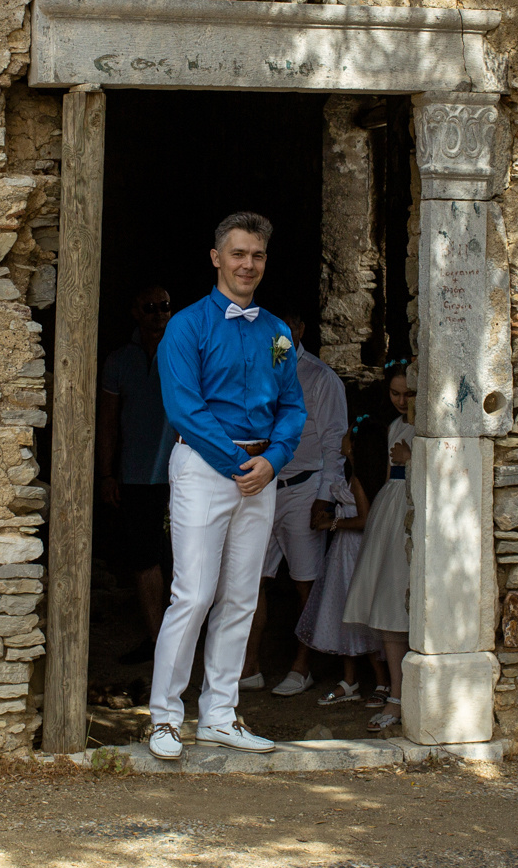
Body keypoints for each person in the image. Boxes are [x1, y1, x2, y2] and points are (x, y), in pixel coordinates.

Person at [150, 212, 305, 760]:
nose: (248, 264)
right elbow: (183, 407)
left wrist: (276, 458)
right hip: (203, 468)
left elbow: (292, 404)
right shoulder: (187, 326)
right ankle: (166, 718)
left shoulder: (278, 334)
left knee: (242, 596)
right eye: (238, 254)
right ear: (217, 258)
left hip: (261, 474)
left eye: (257, 255)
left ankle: (218, 714)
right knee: (191, 594)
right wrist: (234, 464)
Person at [247, 314, 348, 697]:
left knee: (306, 581)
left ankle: (302, 665)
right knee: (251, 577)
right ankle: (249, 665)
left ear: (300, 329)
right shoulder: (259, 370)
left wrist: (325, 496)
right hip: (262, 485)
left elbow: (334, 443)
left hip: (305, 487)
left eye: (286, 324)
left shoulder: (320, 378)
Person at [98, 284, 178, 661]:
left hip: (181, 475)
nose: (158, 313)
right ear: (135, 313)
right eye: (149, 307)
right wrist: (106, 474)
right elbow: (108, 423)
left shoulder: (184, 354)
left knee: (184, 560)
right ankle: (158, 641)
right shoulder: (119, 361)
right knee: (145, 559)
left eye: (164, 306)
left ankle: (182, 643)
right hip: (134, 477)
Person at [342, 366, 414, 733]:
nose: (402, 402)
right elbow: (390, 478)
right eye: (395, 395)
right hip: (392, 509)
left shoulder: (423, 429)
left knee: (403, 602)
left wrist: (412, 460)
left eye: (409, 394)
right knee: (386, 602)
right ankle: (396, 695)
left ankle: (405, 697)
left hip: (415, 510)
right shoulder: (394, 427)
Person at [295, 429, 382, 705]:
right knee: (343, 611)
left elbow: (364, 520)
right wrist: (333, 516)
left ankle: (381, 681)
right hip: (343, 552)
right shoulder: (352, 475)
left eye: (346, 437)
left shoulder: (358, 479)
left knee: (357, 610)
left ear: (353, 446)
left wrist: (329, 524)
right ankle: (350, 679)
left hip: (353, 552)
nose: (341, 441)